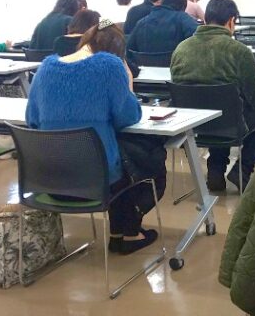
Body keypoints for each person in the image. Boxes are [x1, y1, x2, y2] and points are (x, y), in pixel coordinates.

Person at [26, 19, 164, 255]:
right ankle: (129, 232)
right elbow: (128, 117)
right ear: (118, 51)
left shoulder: (46, 68)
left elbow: (32, 119)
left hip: (49, 180)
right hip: (97, 182)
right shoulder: (110, 66)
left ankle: (119, 234)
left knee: (115, 157)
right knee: (149, 158)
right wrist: (128, 83)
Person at [170, 0, 255, 191]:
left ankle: (215, 171)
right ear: (231, 21)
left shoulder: (181, 49)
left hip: (191, 124)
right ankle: (242, 169)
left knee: (217, 107)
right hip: (230, 122)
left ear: (205, 18)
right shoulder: (238, 51)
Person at [127, 0, 198, 54]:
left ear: (162, 2)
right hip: (176, 62)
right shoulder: (183, 18)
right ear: (183, 7)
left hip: (145, 63)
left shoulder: (142, 22)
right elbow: (200, 38)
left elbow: (129, 49)